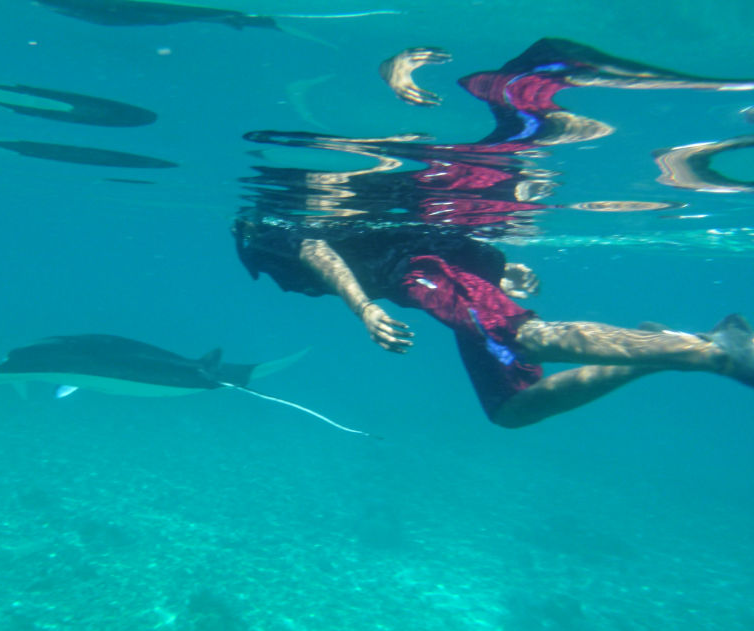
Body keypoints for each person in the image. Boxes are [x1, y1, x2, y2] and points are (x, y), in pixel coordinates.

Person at [234, 39, 754, 427]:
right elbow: (390, 231)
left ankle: (714, 351)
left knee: (525, 339)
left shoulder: (270, 230)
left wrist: (365, 308)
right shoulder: (266, 231)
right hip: (430, 263)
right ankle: (666, 347)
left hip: (421, 272)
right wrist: (494, 265)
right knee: (511, 410)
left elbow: (318, 247)